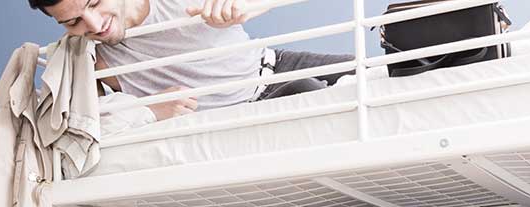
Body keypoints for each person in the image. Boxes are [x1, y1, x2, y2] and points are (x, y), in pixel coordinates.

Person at [29, 0, 354, 128]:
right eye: (73, 22)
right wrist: (149, 108)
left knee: (377, 73)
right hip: (240, 113)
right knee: (314, 97)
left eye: (95, 2)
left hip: (274, 66)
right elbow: (82, 128)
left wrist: (250, 5)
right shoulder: (87, 60)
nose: (95, 24)